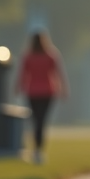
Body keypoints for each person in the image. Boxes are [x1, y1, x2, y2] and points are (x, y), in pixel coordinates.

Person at [18, 30, 69, 164]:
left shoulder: (28, 56)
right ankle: (38, 149)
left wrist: (18, 87)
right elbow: (59, 73)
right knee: (42, 120)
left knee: (35, 120)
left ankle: (36, 148)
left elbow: (23, 74)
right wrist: (63, 89)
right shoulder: (51, 55)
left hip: (32, 91)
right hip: (47, 92)